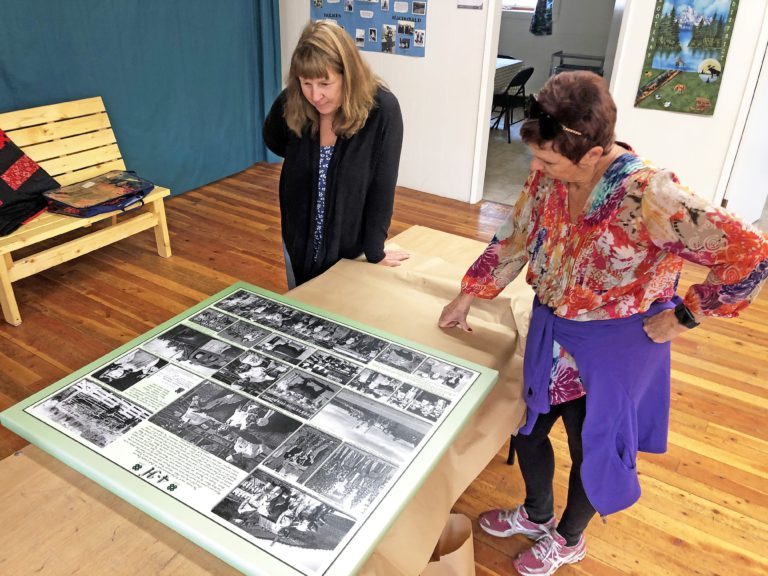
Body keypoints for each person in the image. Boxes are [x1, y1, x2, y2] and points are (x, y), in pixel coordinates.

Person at [437, 71, 768, 576]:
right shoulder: (547, 175)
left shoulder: (651, 195)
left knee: (588, 447)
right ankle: (536, 512)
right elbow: (515, 235)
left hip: (619, 343)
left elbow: (750, 252)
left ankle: (569, 539)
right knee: (526, 429)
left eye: (547, 159)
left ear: (592, 154)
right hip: (554, 332)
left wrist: (686, 314)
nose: (536, 166)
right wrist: (469, 294)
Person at [263, 20, 409, 288]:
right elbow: (273, 139)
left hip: (349, 247)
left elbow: (382, 187)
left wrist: (375, 252)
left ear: (348, 74)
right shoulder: (294, 100)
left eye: (325, 83)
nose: (315, 95)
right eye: (307, 83)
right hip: (297, 237)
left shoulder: (382, 111)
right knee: (301, 305)